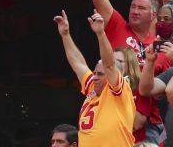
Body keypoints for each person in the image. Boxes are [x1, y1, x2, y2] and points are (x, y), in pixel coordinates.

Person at [53, 10, 136, 146]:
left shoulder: (118, 91)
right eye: (95, 73)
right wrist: (65, 35)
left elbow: (109, 65)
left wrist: (101, 33)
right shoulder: (92, 87)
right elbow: (77, 63)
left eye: (100, 74)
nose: (95, 77)